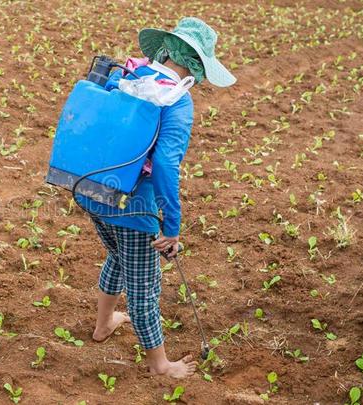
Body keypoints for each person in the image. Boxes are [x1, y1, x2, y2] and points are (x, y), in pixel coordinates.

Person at [83, 17, 236, 378]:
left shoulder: (127, 75)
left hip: (89, 188)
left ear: (165, 51)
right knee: (144, 286)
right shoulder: (176, 102)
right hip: (133, 206)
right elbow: (166, 165)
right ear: (196, 66)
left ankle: (103, 325)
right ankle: (159, 365)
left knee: (118, 256)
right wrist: (171, 226)